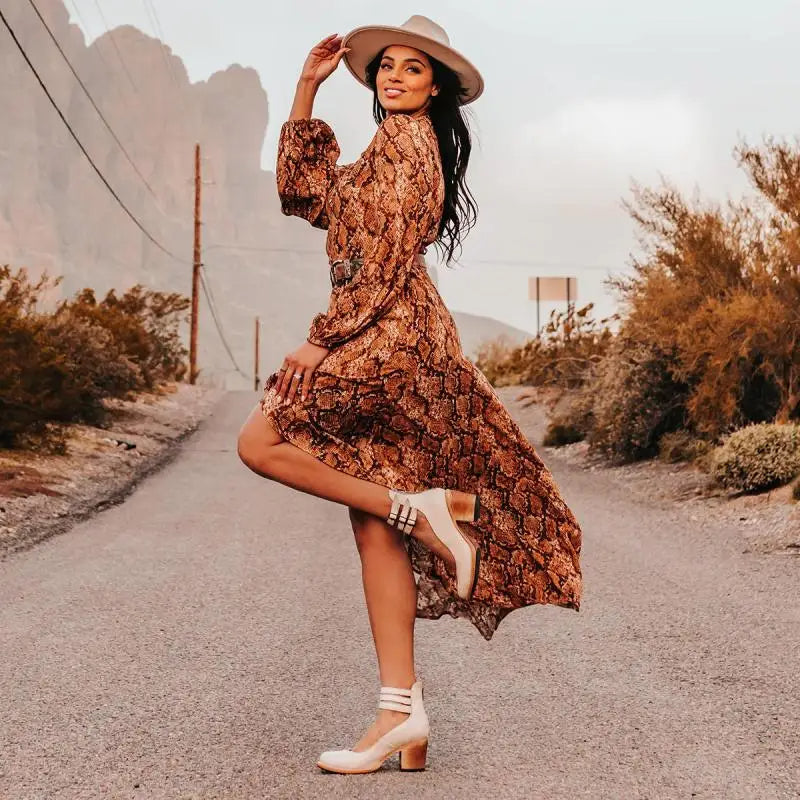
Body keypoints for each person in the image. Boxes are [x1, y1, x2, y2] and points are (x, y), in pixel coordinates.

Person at [237, 14, 583, 775]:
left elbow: (385, 258)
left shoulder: (412, 148)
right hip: (402, 338)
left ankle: (418, 508)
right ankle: (404, 714)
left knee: (259, 442)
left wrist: (321, 338)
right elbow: (306, 197)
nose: (394, 75)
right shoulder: (382, 150)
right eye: (386, 66)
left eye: (413, 69)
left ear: (438, 88)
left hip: (390, 338)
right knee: (372, 526)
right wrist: (305, 89)